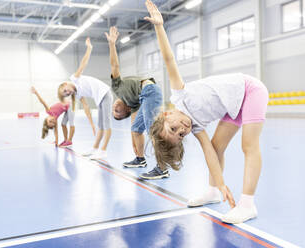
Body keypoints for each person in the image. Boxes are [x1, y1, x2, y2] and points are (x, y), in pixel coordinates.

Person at [144, 0, 269, 224]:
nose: (183, 130)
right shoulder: (196, 126)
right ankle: (212, 191)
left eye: (174, 128)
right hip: (233, 107)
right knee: (216, 147)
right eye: (180, 135)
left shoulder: (179, 94)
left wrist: (159, 27)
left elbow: (168, 59)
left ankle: (248, 204)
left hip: (250, 91)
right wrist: (221, 184)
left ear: (166, 114)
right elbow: (210, 154)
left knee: (248, 145)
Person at [105, 26, 168, 180]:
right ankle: (140, 160)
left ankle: (162, 168)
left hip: (149, 91)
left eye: (114, 110)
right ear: (127, 110)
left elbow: (115, 66)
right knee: (136, 128)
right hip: (147, 95)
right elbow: (134, 129)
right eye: (118, 113)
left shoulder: (117, 87)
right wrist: (135, 148)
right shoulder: (134, 105)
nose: (115, 108)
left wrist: (112, 44)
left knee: (152, 130)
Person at [58, 38, 113, 160]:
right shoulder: (76, 94)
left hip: (105, 93)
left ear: (66, 84)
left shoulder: (74, 79)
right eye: (66, 94)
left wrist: (89, 48)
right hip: (99, 98)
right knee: (100, 125)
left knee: (106, 124)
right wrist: (92, 124)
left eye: (66, 90)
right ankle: (94, 148)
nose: (68, 93)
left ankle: (103, 151)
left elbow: (83, 64)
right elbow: (86, 107)